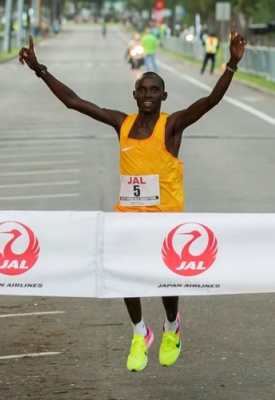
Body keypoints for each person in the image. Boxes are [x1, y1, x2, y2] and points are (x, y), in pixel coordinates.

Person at [19, 21, 246, 372]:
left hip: (165, 218)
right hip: (128, 215)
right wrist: (40, 70)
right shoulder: (121, 123)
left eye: (155, 90)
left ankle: (172, 326)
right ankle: (140, 332)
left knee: (164, 279)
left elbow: (211, 100)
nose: (149, 95)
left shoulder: (173, 125)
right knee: (124, 274)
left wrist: (231, 64)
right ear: (135, 95)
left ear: (164, 97)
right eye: (143, 90)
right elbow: (74, 102)